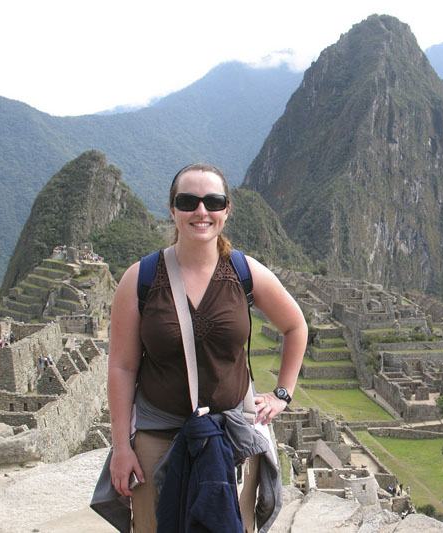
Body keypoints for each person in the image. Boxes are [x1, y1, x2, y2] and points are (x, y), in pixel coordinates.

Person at [107, 163, 307, 532]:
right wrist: (121, 448)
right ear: (173, 209)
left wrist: (282, 393)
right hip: (158, 437)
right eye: (188, 201)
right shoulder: (141, 278)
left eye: (213, 201)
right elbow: (121, 366)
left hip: (229, 437)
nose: (201, 211)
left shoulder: (245, 273)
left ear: (227, 210)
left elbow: (296, 326)